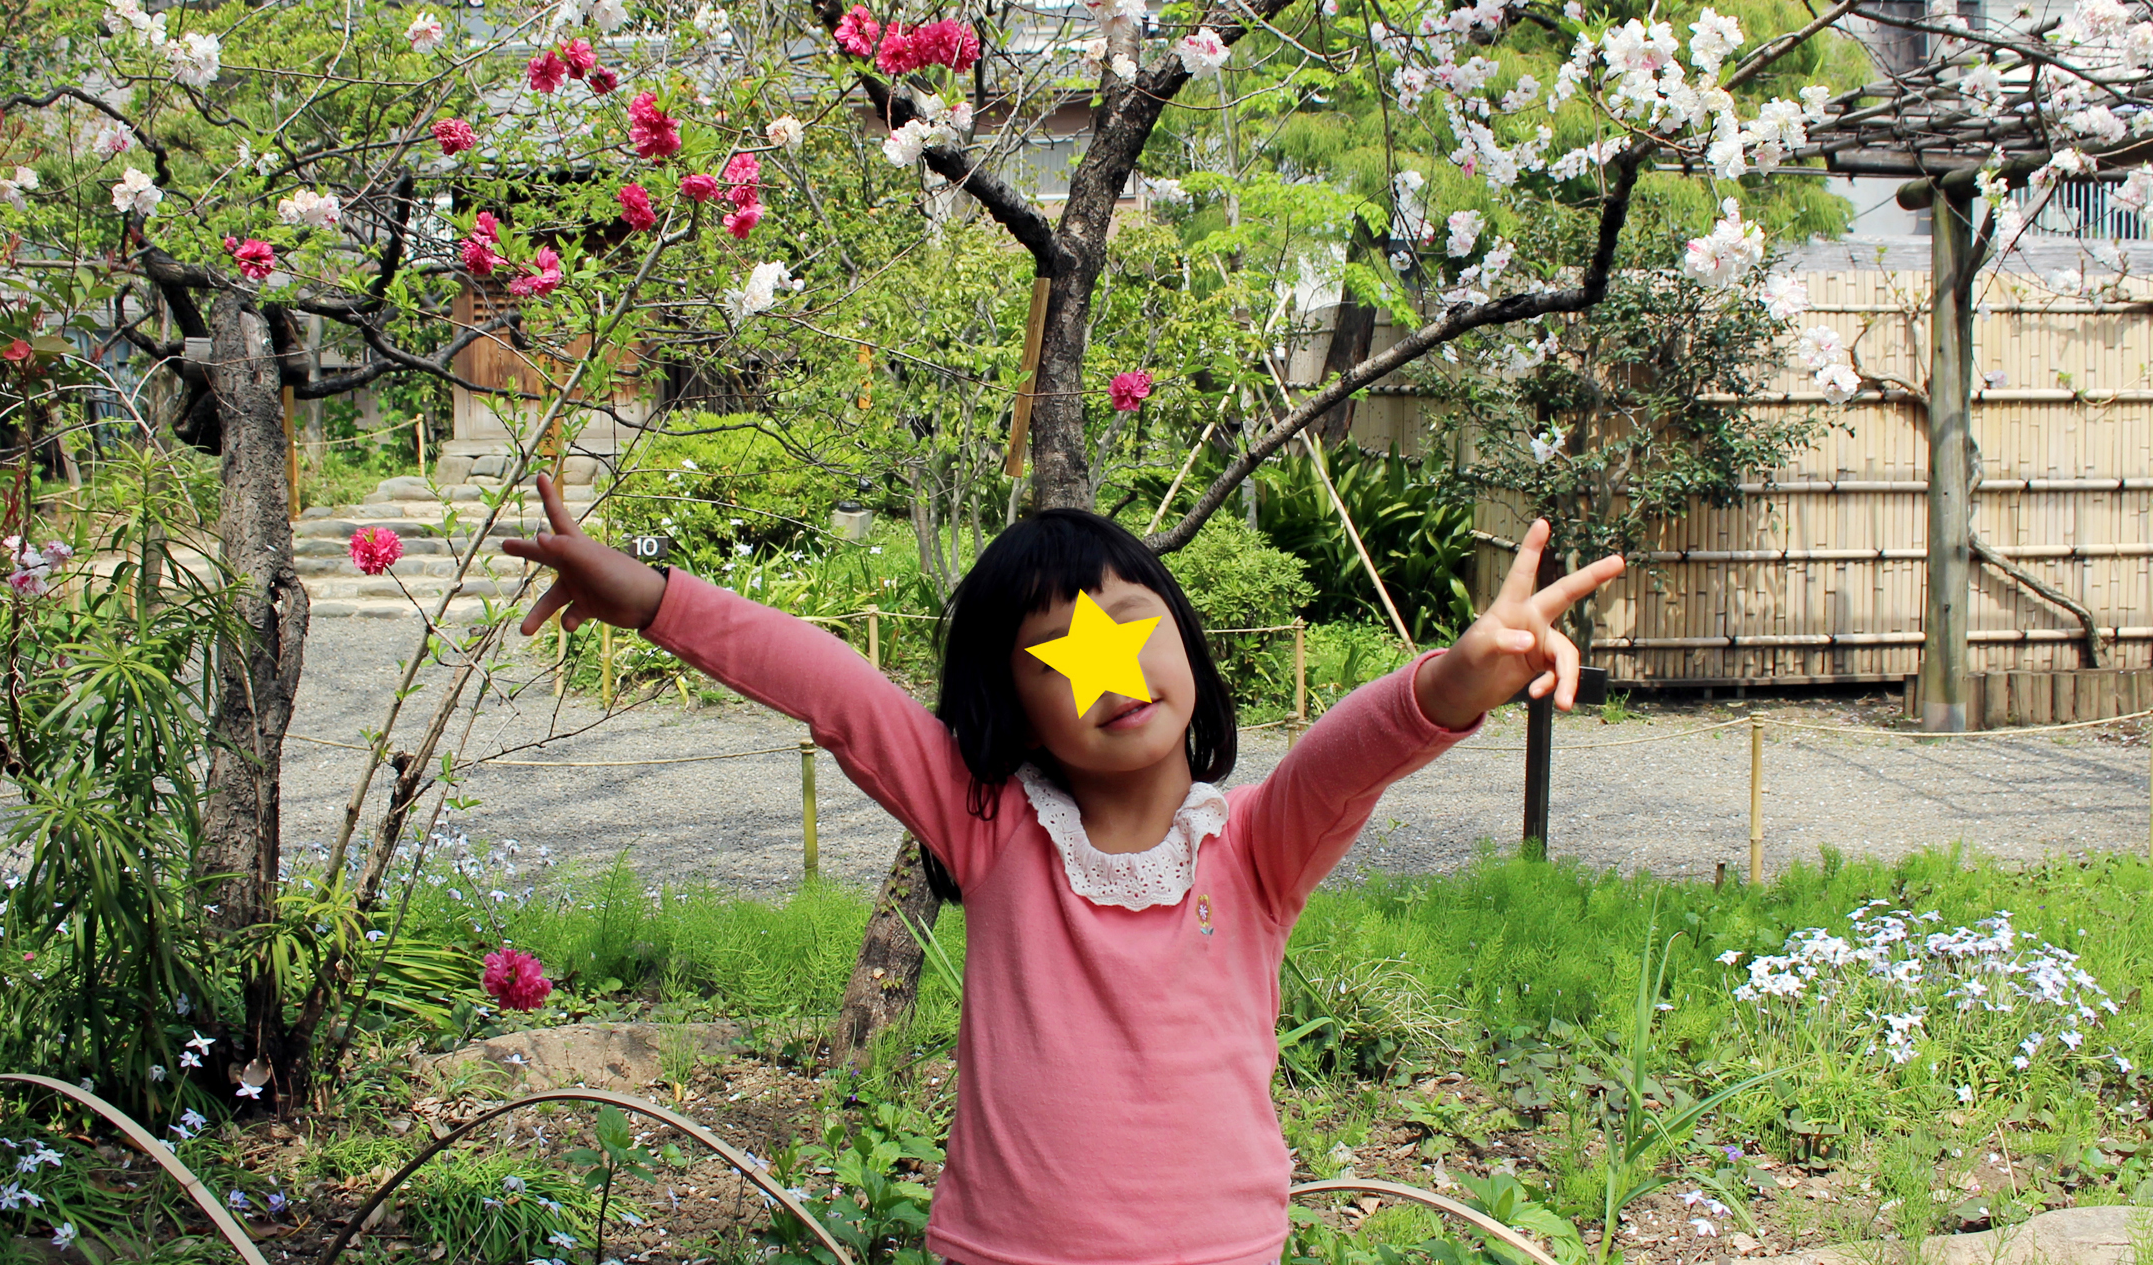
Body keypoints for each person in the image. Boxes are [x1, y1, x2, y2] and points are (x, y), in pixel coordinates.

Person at [502, 472, 1624, 1265]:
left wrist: (1457, 679)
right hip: (1008, 1249)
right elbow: (837, 690)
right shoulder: (987, 827)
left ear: (1185, 643)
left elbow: (1349, 752)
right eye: (1057, 650)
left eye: (1132, 620)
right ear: (1011, 704)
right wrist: (652, 597)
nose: (1109, 661)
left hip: (1222, 1250)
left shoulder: (1258, 845)